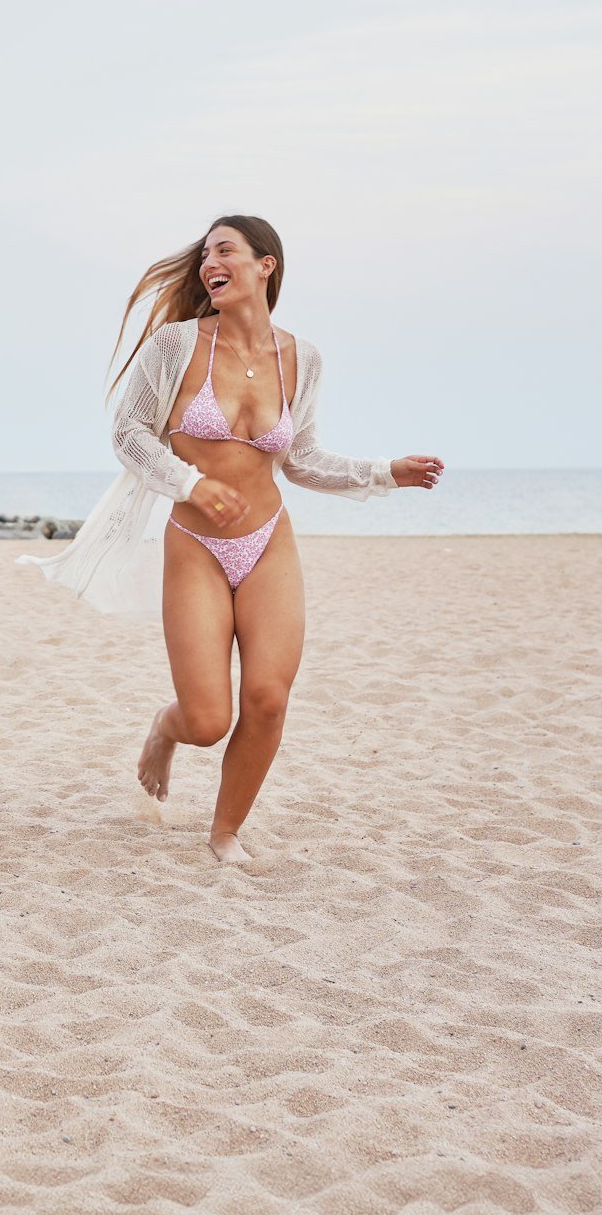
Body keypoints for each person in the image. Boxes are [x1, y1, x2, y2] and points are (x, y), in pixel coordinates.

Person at [26, 216, 442, 865]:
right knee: (207, 720)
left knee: (268, 698)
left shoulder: (301, 358)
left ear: (264, 265)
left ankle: (224, 832)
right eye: (204, 256)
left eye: (224, 252)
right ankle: (165, 730)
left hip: (268, 541)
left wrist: (386, 473)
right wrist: (188, 484)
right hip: (194, 544)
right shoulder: (175, 345)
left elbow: (300, 459)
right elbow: (128, 433)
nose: (207, 265)